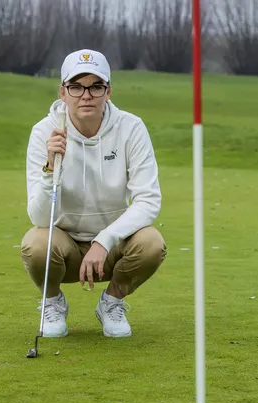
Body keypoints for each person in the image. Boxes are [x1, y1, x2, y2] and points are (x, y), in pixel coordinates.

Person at [20, 49, 167, 338]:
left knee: (152, 243)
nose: (86, 96)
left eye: (95, 86)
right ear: (63, 92)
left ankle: (112, 302)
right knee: (35, 243)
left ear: (108, 91)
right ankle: (52, 302)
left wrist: (104, 240)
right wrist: (50, 168)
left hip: (113, 247)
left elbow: (149, 201)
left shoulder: (131, 128)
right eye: (76, 87)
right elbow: (39, 217)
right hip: (65, 248)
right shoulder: (44, 132)